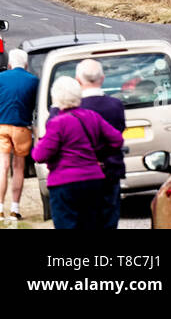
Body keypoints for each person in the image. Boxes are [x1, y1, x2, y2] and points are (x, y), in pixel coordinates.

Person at [32, 76, 124, 229]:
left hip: (64, 184)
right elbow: (117, 140)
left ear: (56, 97)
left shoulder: (57, 123)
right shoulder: (92, 116)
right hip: (93, 180)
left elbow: (40, 155)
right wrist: (97, 153)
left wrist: (38, 144)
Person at [73, 59, 127, 229]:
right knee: (109, 219)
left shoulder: (74, 109)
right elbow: (119, 131)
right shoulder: (115, 105)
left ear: (78, 80)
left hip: (81, 172)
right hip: (109, 171)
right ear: (102, 79)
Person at [0, 48, 39, 221]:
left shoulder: (1, 78)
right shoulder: (33, 80)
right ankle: (15, 209)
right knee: (18, 167)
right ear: (26, 65)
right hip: (22, 127)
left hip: (1, 125)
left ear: (9, 64)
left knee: (3, 167)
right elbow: (34, 105)